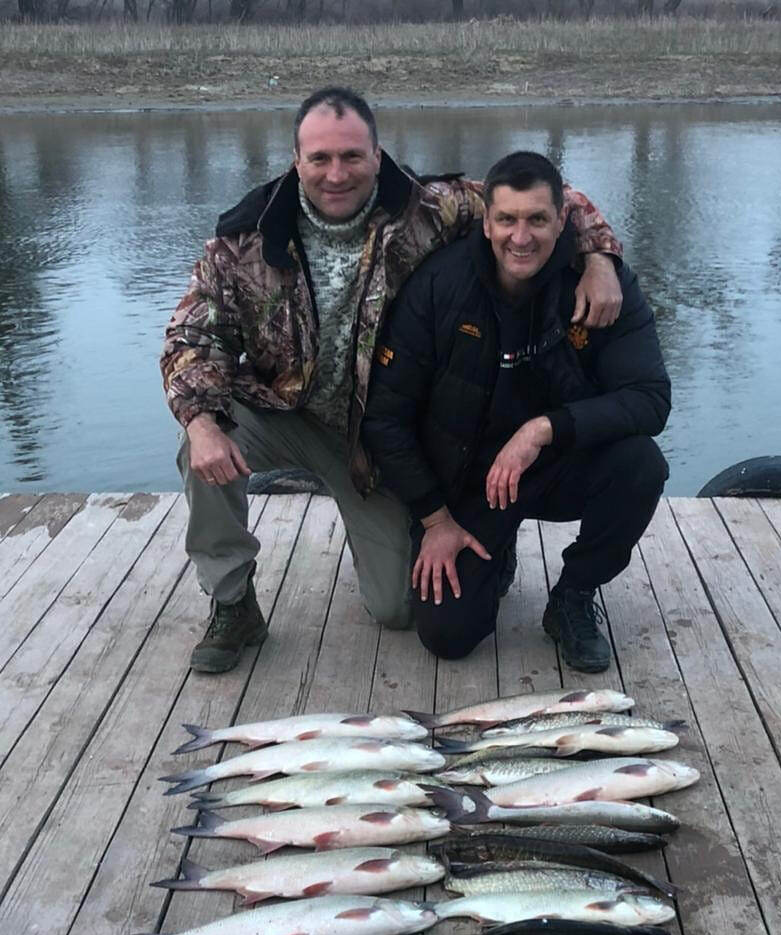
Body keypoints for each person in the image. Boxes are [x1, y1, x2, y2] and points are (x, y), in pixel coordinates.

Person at [161, 88, 625, 673]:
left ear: (378, 157)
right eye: (320, 158)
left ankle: (490, 550)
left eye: (352, 156)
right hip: (276, 414)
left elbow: (549, 203)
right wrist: (201, 422)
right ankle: (232, 603)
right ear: (296, 160)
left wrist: (601, 259)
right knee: (198, 446)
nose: (336, 173)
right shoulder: (242, 239)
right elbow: (190, 339)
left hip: (371, 440)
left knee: (400, 609)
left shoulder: (430, 209)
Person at [362, 151, 670, 673]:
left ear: (563, 220)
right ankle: (494, 554)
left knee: (641, 463)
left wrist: (543, 429)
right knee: (448, 636)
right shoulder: (438, 287)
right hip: (466, 483)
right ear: (486, 223)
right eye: (506, 219)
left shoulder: (605, 287)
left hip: (555, 462)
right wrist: (435, 519)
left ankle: (573, 594)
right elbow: (386, 419)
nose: (520, 237)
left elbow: (650, 398)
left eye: (537, 220)